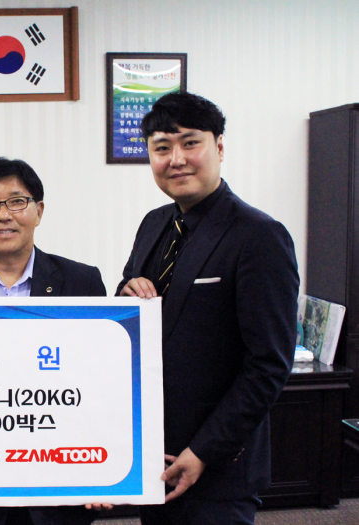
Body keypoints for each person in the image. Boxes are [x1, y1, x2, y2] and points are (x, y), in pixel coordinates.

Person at [116, 92, 299, 525]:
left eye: (190, 143)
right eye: (162, 147)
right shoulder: (154, 223)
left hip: (217, 467)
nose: (176, 159)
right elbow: (133, 308)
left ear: (218, 147)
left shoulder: (259, 235)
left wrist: (203, 451)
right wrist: (125, 290)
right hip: (154, 454)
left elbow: (269, 364)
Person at [0, 157, 107, 525]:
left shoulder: (82, 282)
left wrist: (103, 469)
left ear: (38, 211)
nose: (3, 215)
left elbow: (100, 383)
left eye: (16, 202)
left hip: (63, 488)